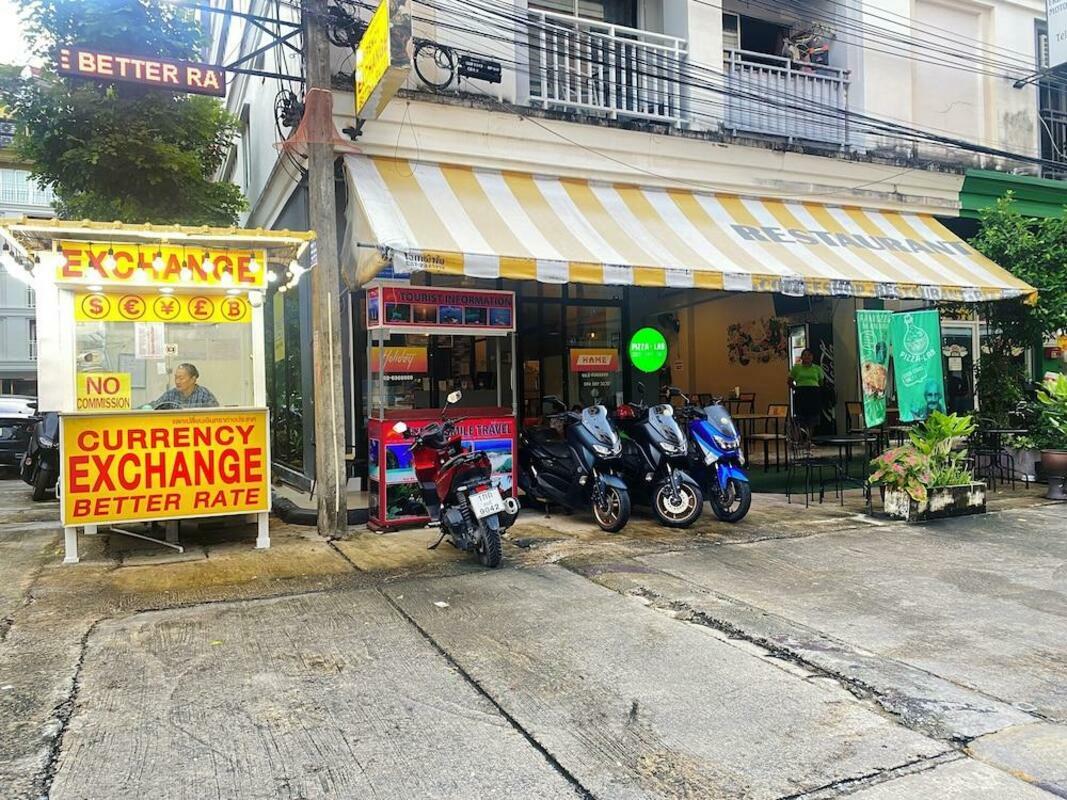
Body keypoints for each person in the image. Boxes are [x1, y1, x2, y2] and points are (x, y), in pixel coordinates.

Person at [153, 363, 219, 409]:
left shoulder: (204, 394)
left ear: (193, 379)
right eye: (176, 378)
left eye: (181, 378)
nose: (177, 381)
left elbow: (216, 413)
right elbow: (154, 406)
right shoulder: (171, 394)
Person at [789, 348, 824, 431]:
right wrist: (796, 388)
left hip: (813, 394)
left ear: (812, 357)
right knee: (801, 416)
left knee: (813, 417)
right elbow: (789, 381)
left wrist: (816, 389)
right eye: (805, 355)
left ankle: (810, 436)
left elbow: (821, 382)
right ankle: (802, 436)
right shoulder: (796, 368)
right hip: (801, 394)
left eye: (809, 355)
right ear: (801, 357)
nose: (807, 357)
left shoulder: (817, 368)